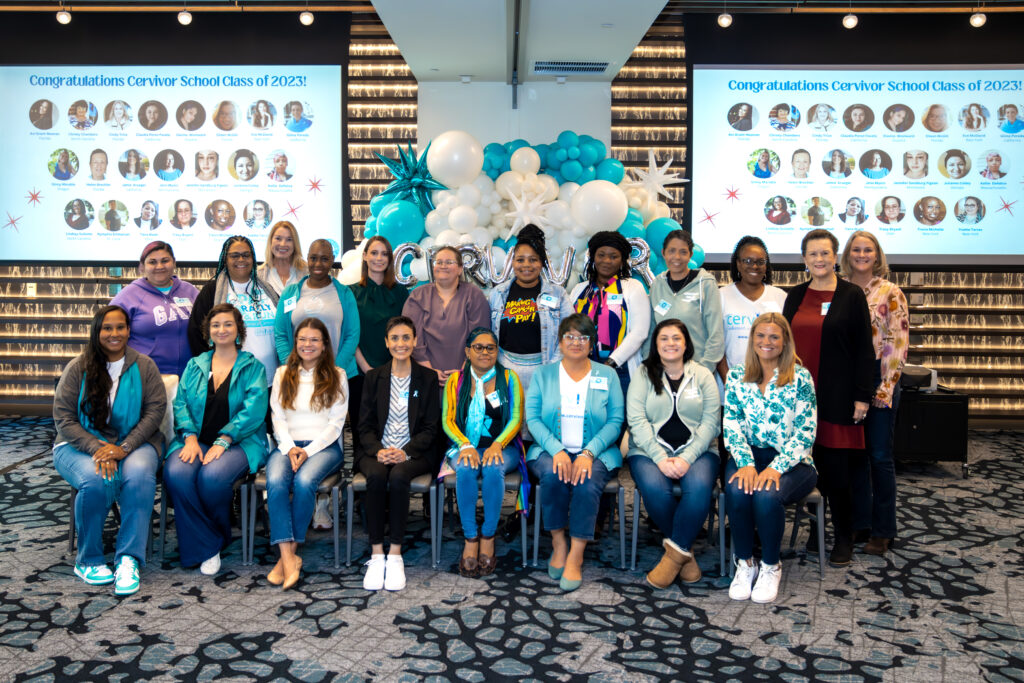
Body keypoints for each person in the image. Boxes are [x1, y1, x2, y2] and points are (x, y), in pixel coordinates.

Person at [53, 305, 167, 595]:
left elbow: (155, 412)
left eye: (120, 327)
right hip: (78, 443)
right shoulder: (78, 367)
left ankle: (128, 558)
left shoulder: (144, 366)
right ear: (97, 331)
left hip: (135, 441)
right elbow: (64, 418)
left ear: (129, 331)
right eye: (107, 328)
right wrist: (97, 448)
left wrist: (124, 447)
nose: (114, 333)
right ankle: (88, 559)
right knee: (95, 479)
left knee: (140, 473)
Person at [783, 229, 873, 568]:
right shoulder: (795, 295)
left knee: (837, 475)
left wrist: (862, 397)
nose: (819, 260)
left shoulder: (851, 295)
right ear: (804, 259)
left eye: (825, 253)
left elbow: (865, 349)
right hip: (800, 400)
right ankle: (816, 532)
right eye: (812, 254)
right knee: (809, 470)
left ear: (835, 257)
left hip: (838, 397)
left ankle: (845, 536)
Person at [165, 303, 269, 574]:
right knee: (177, 473)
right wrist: (188, 437)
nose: (221, 329)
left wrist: (224, 439)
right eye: (216, 325)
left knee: (211, 478)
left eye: (228, 324)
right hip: (195, 439)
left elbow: (254, 410)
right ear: (208, 332)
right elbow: (181, 404)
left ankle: (212, 539)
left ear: (238, 331)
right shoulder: (195, 364)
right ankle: (210, 543)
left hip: (240, 441)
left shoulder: (252, 367)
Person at [723, 313, 818, 603]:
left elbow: (806, 431)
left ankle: (770, 565)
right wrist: (747, 464)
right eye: (761, 336)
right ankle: (745, 563)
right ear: (752, 339)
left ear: (785, 341)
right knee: (737, 489)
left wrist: (775, 468)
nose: (767, 342)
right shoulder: (737, 375)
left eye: (774, 336)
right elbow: (732, 423)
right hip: (748, 455)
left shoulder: (800, 377)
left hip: (794, 461)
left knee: (766, 495)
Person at [526, 314, 624, 592]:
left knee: (585, 481)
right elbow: (532, 418)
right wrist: (556, 450)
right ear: (559, 342)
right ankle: (558, 543)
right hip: (547, 449)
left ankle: (576, 553)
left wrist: (588, 453)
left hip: (597, 453)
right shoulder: (543, 375)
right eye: (569, 336)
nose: (576, 342)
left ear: (591, 343)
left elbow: (616, 421)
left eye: (583, 337)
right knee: (553, 475)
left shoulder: (608, 375)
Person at [627, 319, 720, 588]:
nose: (670, 343)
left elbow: (710, 422)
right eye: (664, 338)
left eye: (676, 338)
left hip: (699, 451)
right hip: (647, 451)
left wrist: (686, 458)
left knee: (699, 488)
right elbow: (637, 420)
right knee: (656, 490)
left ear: (686, 343)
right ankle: (685, 555)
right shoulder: (644, 374)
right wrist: (659, 458)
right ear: (655, 345)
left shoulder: (702, 374)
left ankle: (672, 558)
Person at [356, 316, 441, 591]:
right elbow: (364, 426)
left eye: (406, 337)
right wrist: (379, 451)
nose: (401, 343)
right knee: (377, 477)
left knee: (400, 477)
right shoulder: (373, 377)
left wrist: (404, 452)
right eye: (395, 338)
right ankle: (377, 553)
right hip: (377, 451)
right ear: (386, 342)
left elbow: (431, 428)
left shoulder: (427, 378)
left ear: (415, 341)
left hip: (414, 452)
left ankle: (395, 554)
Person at [267, 318, 348, 589]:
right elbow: (277, 417)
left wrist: (307, 451)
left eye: (314, 340)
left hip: (324, 447)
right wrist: (291, 447)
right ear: (295, 343)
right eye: (302, 339)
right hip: (287, 444)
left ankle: (288, 553)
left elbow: (336, 425)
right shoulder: (281, 374)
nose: (307, 344)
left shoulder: (337, 375)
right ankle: (288, 558)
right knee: (276, 482)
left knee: (303, 482)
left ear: (325, 345)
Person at [841, 231, 908, 556]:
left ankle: (883, 531)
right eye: (856, 249)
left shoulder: (889, 292)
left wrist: (885, 388)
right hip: (849, 385)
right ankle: (860, 525)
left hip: (880, 383)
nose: (862, 254)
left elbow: (897, 343)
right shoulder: (840, 288)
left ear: (877, 254)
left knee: (879, 458)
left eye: (868, 249)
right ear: (847, 254)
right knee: (855, 459)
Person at [442, 328, 525, 576]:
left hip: (503, 446)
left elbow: (517, 418)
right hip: (463, 445)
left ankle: (488, 534)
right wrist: (465, 446)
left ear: (496, 351)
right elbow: (447, 420)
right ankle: (470, 538)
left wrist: (497, 444)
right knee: (466, 468)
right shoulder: (455, 381)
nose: (484, 352)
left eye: (490, 347)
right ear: (467, 351)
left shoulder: (510, 378)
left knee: (492, 467)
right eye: (478, 347)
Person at [487, 224, 573, 398]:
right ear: (512, 263)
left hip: (545, 369)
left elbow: (570, 332)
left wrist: (552, 367)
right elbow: (488, 332)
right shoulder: (498, 293)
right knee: (510, 421)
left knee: (539, 422)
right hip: (505, 369)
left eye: (533, 260)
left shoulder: (558, 294)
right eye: (520, 260)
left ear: (542, 263)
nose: (526, 265)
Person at [188, 236, 280, 384]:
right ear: (226, 259)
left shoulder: (267, 290)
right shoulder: (211, 292)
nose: (241, 259)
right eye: (234, 256)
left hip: (271, 380)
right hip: (230, 382)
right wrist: (212, 372)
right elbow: (196, 334)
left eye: (246, 255)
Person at [570, 231, 651, 395]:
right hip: (582, 367)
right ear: (593, 257)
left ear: (622, 260)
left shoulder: (632, 287)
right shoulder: (580, 290)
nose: (607, 261)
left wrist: (611, 363)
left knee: (621, 419)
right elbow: (568, 328)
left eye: (613, 256)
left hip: (621, 370)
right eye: (601, 255)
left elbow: (639, 332)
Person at [274, 239, 361, 391]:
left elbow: (352, 335)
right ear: (307, 259)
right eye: (313, 258)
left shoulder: (345, 294)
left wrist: (334, 370)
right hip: (297, 377)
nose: (318, 264)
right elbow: (280, 334)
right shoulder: (290, 293)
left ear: (332, 260)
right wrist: (292, 368)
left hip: (337, 376)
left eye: (324, 259)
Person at [349, 236, 408, 459]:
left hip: (396, 373)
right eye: (373, 253)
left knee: (393, 427)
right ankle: (362, 482)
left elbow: (406, 335)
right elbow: (351, 335)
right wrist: (368, 369)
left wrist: (391, 370)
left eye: (384, 254)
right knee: (362, 428)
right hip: (361, 373)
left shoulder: (401, 293)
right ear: (364, 256)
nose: (378, 258)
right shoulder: (351, 293)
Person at [402, 245, 491, 387]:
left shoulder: (474, 295)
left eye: (449, 262)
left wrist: (464, 370)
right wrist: (429, 371)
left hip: (467, 374)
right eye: (439, 262)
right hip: (425, 375)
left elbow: (480, 336)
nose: (443, 266)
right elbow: (412, 336)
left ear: (460, 269)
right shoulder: (417, 296)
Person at [111, 241, 199, 377]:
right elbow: (108, 333)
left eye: (165, 261)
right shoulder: (128, 296)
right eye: (152, 262)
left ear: (174, 263)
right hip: (145, 376)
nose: (159, 266)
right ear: (142, 266)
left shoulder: (190, 291)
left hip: (189, 376)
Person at [716, 236, 787, 391]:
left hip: (773, 389)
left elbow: (788, 344)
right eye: (747, 261)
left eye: (760, 262)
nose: (754, 266)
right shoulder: (721, 296)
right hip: (732, 388)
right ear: (738, 264)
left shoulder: (780, 297)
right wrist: (730, 382)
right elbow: (716, 345)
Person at [646, 230, 719, 377]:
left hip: (698, 371)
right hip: (663, 374)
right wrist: (650, 366)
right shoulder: (657, 285)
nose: (677, 257)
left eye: (683, 252)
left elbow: (715, 333)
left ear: (691, 254)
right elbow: (651, 331)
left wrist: (704, 371)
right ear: (663, 253)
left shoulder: (705, 283)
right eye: (671, 251)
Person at [256, 221, 308, 296]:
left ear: (295, 244)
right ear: (271, 241)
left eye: (289, 239)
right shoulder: (258, 275)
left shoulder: (307, 272)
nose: (283, 244)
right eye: (278, 238)